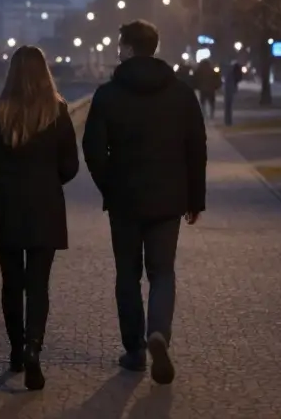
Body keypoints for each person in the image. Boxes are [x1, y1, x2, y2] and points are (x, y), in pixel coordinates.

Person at [81, 20, 207, 385]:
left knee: (127, 275)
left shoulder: (107, 95)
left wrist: (110, 185)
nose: (117, 51)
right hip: (168, 199)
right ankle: (159, 333)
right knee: (162, 272)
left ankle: (135, 351)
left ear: (129, 48)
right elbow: (196, 148)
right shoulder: (182, 94)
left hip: (124, 200)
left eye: (120, 45)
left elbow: (92, 149)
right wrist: (194, 198)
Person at [0, 45, 80, 391]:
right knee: (38, 285)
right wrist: (47, 180)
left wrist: (2, 170)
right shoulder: (58, 112)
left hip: (6, 205)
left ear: (11, 73)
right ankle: (34, 348)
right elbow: (70, 166)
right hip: (45, 204)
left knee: (12, 283)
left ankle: (16, 351)